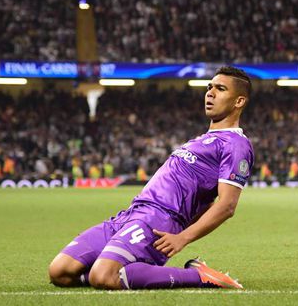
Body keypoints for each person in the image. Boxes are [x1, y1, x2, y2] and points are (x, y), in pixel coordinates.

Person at [48, 66, 254, 290]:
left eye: (220, 89)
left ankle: (200, 276)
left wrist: (182, 236)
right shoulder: (201, 139)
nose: (210, 93)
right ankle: (125, 272)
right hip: (130, 214)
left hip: (157, 220)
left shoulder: (236, 145)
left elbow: (227, 205)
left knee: (104, 276)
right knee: (60, 271)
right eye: (209, 87)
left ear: (239, 101)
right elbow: (206, 202)